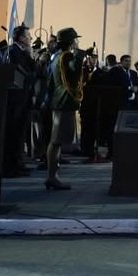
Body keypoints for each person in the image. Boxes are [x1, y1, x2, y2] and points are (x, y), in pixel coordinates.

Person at [46, 27, 87, 191]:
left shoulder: (56, 56)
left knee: (56, 141)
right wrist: (80, 56)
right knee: (56, 141)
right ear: (71, 42)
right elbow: (74, 76)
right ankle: (52, 176)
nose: (77, 42)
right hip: (64, 101)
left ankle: (53, 175)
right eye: (75, 39)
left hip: (58, 100)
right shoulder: (67, 56)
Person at [5, 23, 38, 176]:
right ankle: (11, 165)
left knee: (20, 133)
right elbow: (22, 73)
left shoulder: (23, 52)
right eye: (28, 36)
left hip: (24, 98)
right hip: (15, 100)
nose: (30, 38)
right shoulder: (13, 51)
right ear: (21, 38)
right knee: (14, 133)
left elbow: (35, 71)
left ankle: (18, 162)